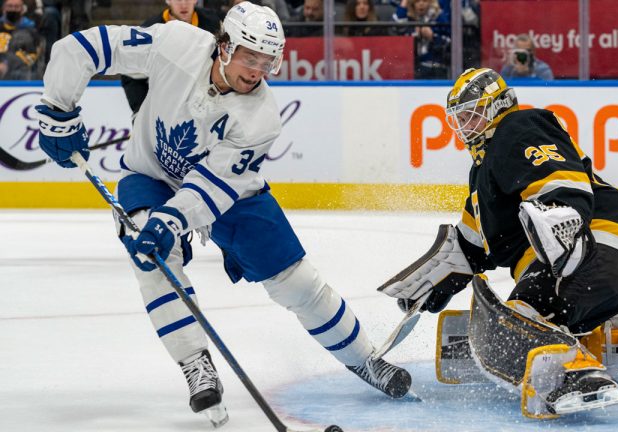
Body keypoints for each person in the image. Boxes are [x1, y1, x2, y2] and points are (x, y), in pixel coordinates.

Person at [34, 2, 411, 426]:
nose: (257, 70)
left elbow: (210, 189)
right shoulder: (175, 42)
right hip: (150, 174)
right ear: (224, 45)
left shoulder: (262, 118)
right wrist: (57, 111)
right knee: (151, 257)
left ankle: (366, 359)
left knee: (296, 282)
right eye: (250, 56)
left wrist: (171, 220)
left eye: (268, 61)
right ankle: (197, 364)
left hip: (229, 195)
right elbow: (79, 48)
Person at [378, 68, 618, 417]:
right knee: (532, 316)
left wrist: (567, 237)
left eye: (472, 113)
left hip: (596, 252)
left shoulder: (517, 127)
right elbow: (471, 246)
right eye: (459, 117)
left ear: (497, 105)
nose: (465, 124)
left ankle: (573, 374)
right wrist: (437, 282)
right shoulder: (483, 170)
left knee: (517, 320)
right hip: (601, 268)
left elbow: (562, 188)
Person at [120, 0, 221, 115]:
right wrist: (141, 111)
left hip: (204, 105)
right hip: (166, 106)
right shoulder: (150, 29)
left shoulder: (214, 22)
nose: (184, 4)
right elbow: (130, 75)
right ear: (168, 1)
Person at [392, 0, 450, 79]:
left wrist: (433, 36)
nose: (421, 4)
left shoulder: (439, 16)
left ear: (430, 2)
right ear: (412, 3)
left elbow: (449, 41)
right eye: (417, 1)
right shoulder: (408, 17)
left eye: (425, 1)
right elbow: (397, 27)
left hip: (435, 66)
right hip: (411, 65)